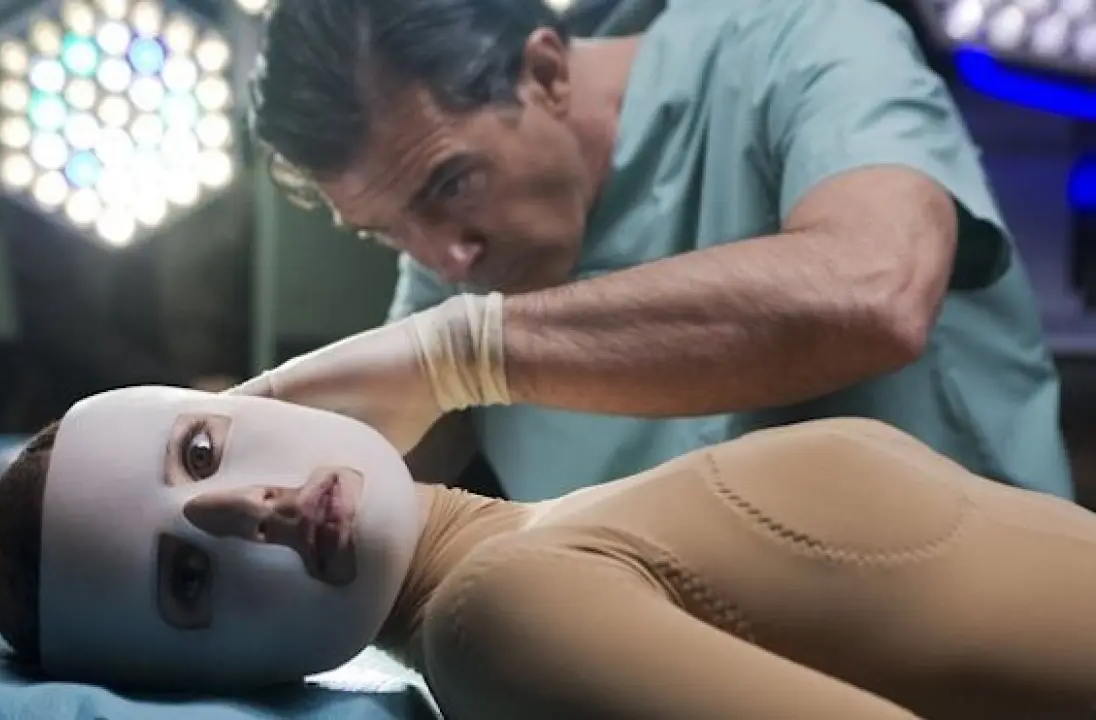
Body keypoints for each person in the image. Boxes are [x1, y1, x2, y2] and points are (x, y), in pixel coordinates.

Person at [232, 0, 1072, 501]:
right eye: (385, 231)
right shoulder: (450, 251)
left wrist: (470, 354)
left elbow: (875, 291)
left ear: (547, 74)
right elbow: (384, 475)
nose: (442, 259)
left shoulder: (804, 41)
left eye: (449, 184)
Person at [0, 386, 1096, 718]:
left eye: (201, 449)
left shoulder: (541, 535)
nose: (247, 511)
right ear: (227, 679)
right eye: (185, 578)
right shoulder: (496, 616)